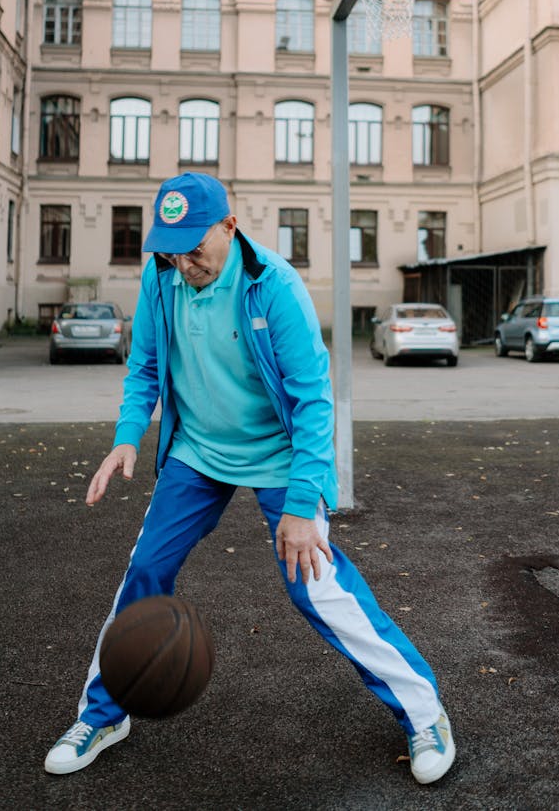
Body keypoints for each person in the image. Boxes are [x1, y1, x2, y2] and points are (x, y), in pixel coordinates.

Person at [44, 173, 455, 785]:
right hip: (197, 452)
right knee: (145, 570)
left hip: (278, 454)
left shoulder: (275, 287)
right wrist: (127, 439)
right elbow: (146, 369)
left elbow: (314, 400)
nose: (183, 262)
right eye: (171, 248)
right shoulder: (161, 278)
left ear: (229, 227)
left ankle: (425, 712)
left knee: (313, 585)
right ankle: (103, 714)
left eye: (195, 247)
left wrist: (299, 503)